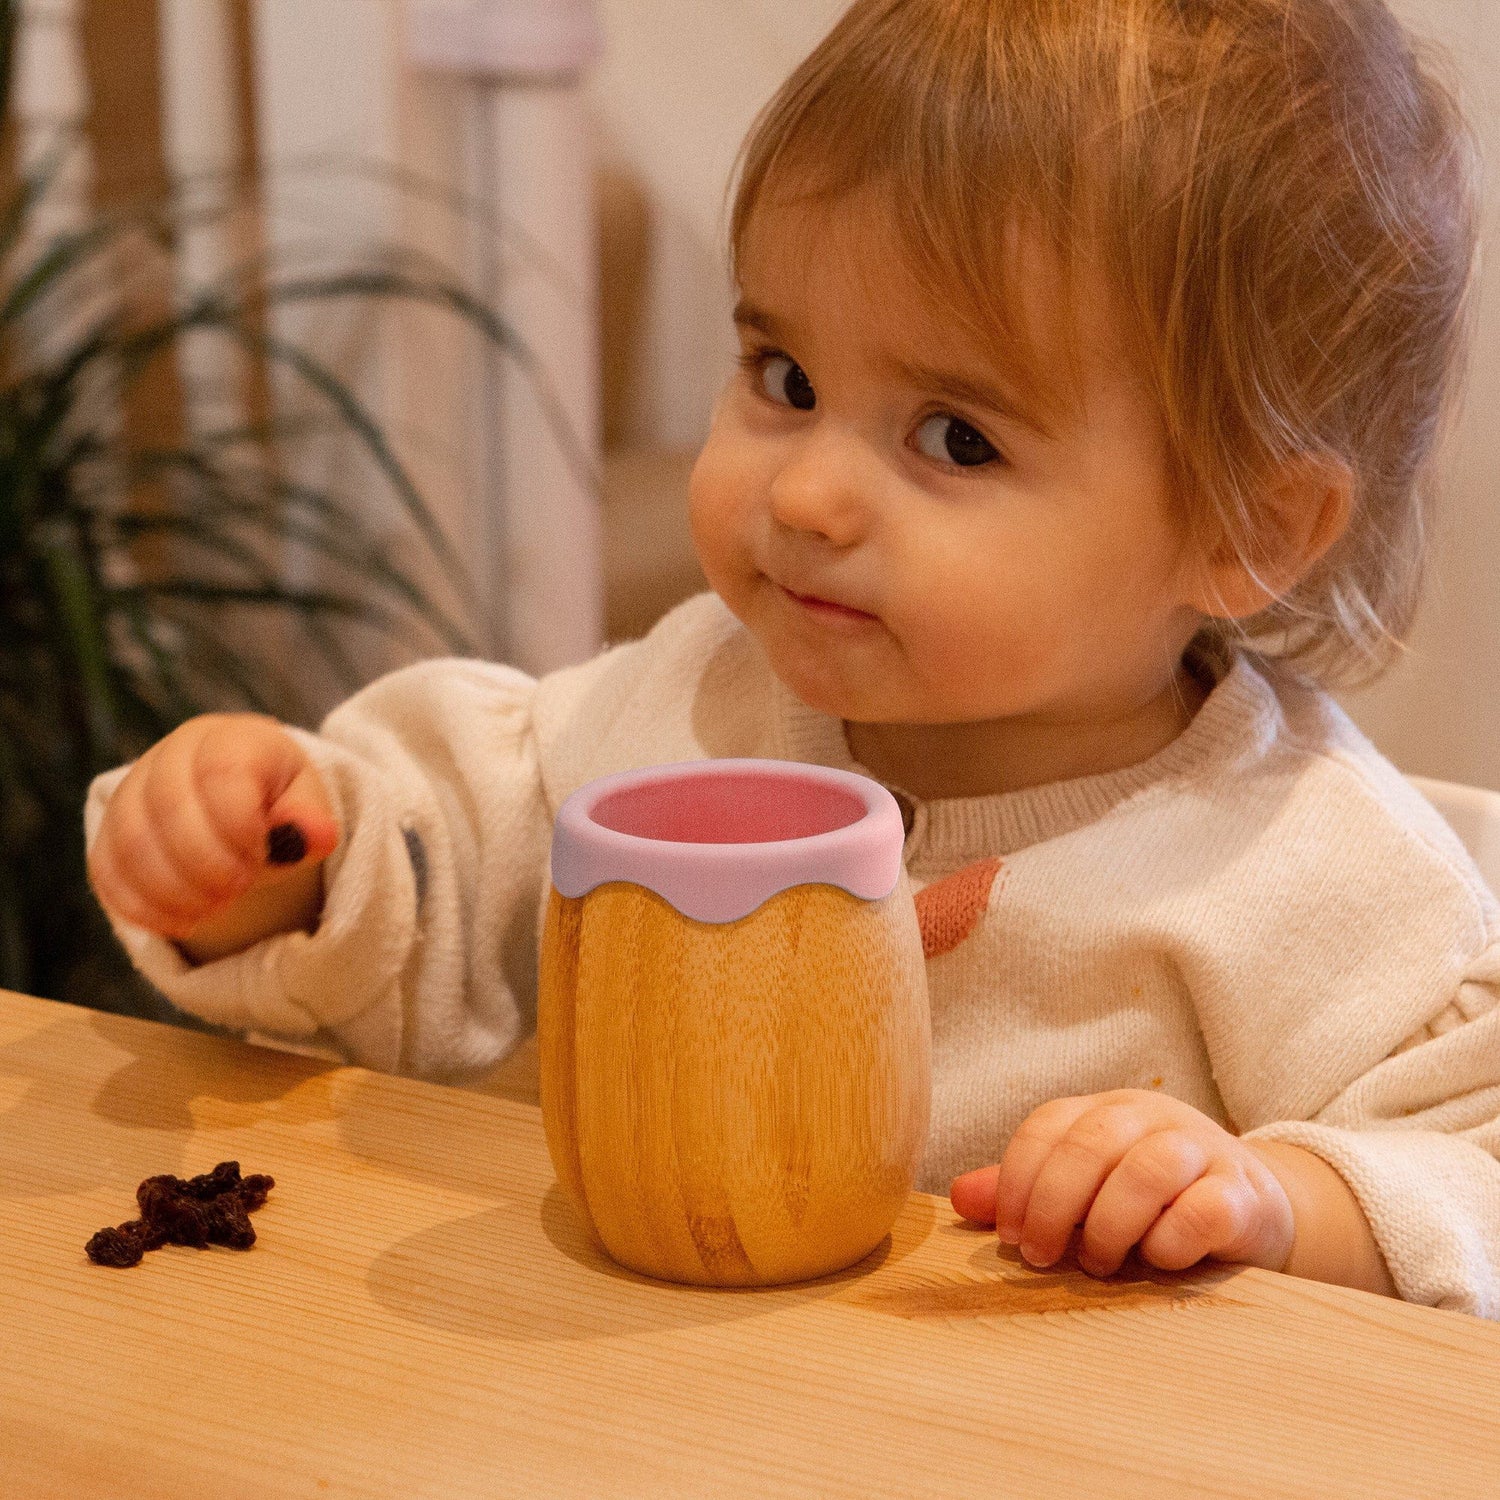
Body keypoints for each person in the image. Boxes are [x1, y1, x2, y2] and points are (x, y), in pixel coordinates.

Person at [85, 0, 1500, 1314]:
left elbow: (1470, 1175)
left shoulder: (1314, 874)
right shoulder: (696, 702)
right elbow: (436, 874)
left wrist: (1271, 1198)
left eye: (956, 438)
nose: (810, 494)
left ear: (1248, 526)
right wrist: (275, 864)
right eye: (788, 379)